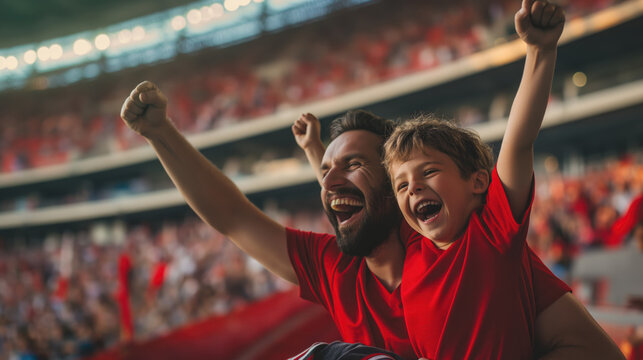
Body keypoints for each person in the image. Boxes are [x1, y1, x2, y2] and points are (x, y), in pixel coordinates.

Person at [119, 6, 622, 360]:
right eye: (324, 170)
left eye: (355, 165)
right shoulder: (333, 269)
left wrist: (538, 55)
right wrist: (160, 134)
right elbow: (231, 216)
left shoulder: (472, 243)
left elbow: (589, 349)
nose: (328, 179)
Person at [380, 0, 624, 358]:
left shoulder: (492, 232)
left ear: (479, 183)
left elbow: (519, 140)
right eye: (401, 185)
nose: (412, 187)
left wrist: (540, 51)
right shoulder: (411, 249)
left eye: (428, 171)